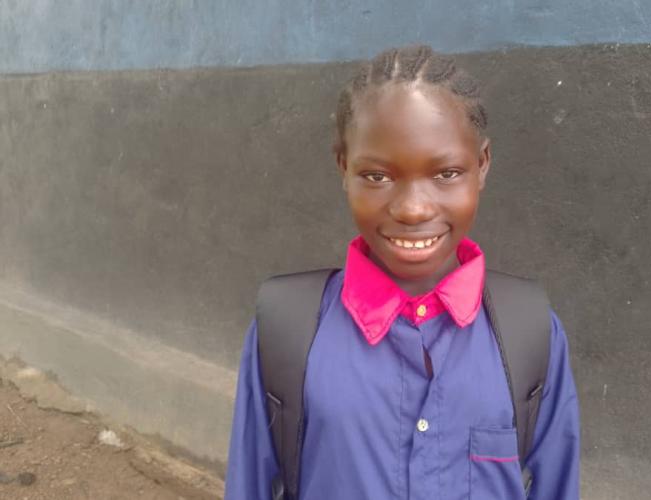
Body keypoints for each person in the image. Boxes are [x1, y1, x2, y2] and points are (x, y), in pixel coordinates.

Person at [225, 44, 579, 500]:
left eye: (446, 173)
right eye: (377, 177)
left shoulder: (529, 331)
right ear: (343, 168)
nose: (413, 209)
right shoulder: (286, 330)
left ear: (482, 165)